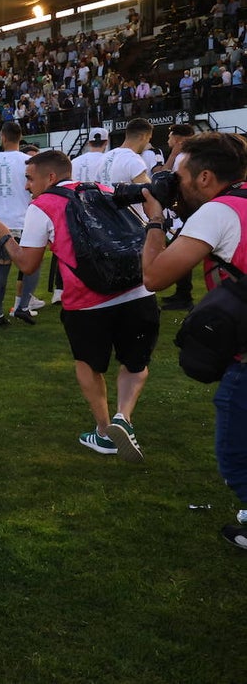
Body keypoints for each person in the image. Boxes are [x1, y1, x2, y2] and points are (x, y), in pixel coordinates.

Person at [0, 150, 156, 463]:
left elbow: (27, 264)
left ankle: (105, 432)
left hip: (87, 301)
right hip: (138, 289)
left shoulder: (44, 205)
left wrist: (4, 236)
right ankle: (124, 416)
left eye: (29, 178)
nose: (26, 186)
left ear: (50, 178)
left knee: (88, 364)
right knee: (135, 362)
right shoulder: (105, 190)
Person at [140, 131, 247, 548]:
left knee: (236, 455)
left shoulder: (219, 211)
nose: (174, 185)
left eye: (178, 177)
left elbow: (155, 276)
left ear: (205, 177)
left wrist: (154, 217)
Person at [0, 122, 39, 325]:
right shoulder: (29, 161)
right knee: (32, 266)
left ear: (2, 138)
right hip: (26, 221)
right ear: (20, 137)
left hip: (0, 224)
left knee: (2, 267)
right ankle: (23, 307)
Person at [159, 124, 198, 311]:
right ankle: (183, 294)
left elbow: (163, 178)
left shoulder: (182, 157)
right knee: (179, 251)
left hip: (187, 211)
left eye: (170, 137)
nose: (168, 141)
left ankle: (184, 296)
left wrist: (173, 156)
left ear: (178, 140)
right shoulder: (190, 156)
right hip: (188, 210)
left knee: (180, 251)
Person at [97, 117, 153, 187]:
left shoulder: (104, 157)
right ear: (143, 136)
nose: (148, 142)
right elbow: (148, 192)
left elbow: (97, 184)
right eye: (149, 138)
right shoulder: (134, 160)